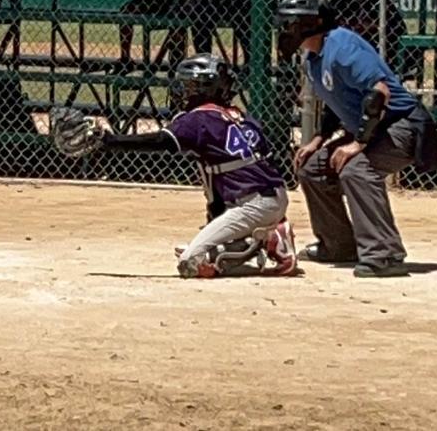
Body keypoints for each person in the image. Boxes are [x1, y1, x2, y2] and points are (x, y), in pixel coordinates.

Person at [50, 54, 296, 279]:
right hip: (272, 197)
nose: (182, 91)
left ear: (205, 89)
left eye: (189, 86)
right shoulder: (238, 116)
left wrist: (109, 140)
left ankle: (270, 239)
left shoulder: (198, 119)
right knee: (217, 199)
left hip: (253, 204)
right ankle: (264, 233)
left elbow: (160, 142)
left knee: (191, 263)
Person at [278, 0, 437, 279]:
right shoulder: (313, 58)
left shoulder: (341, 46)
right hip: (374, 128)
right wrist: (319, 139)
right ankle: (339, 246)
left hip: (402, 124)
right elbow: (337, 101)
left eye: (291, 24)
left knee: (356, 169)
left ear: (312, 23)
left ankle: (384, 254)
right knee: (311, 168)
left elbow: (379, 94)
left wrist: (358, 144)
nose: (286, 30)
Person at [331, 0, 413, 79]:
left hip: (373, 47)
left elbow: (399, 28)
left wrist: (376, 27)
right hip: (344, 49)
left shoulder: (379, 3)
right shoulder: (338, 3)